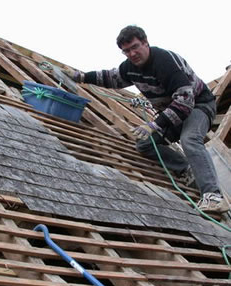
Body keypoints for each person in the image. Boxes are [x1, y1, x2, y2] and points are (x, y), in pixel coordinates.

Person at [64, 25, 228, 213]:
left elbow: (185, 100)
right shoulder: (130, 68)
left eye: (135, 47)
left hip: (199, 106)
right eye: (126, 51)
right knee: (145, 145)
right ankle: (186, 169)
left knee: (190, 139)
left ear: (145, 43)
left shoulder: (165, 61)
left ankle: (213, 196)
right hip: (174, 114)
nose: (132, 54)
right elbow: (110, 77)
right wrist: (81, 77)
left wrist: (154, 124)